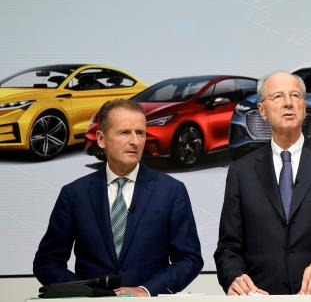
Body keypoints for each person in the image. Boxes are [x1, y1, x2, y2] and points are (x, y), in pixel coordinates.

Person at [214, 71, 311, 295]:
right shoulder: (241, 171)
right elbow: (228, 247)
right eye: (277, 97)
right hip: (261, 296)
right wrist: (234, 277)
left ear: (304, 107)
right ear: (262, 111)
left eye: (295, 96)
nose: (288, 103)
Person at [33, 99, 203, 296]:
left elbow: (189, 259)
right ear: (101, 139)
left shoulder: (171, 191)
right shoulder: (74, 194)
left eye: (140, 133)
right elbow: (47, 262)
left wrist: (147, 290)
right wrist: (83, 291)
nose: (135, 141)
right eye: (124, 132)